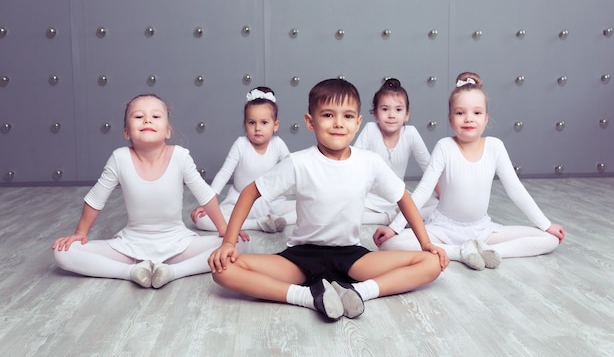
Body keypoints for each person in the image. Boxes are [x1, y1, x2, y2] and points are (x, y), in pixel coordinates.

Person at [208, 78, 448, 322]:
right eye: (328, 115)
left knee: (431, 262)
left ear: (358, 123)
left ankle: (357, 292)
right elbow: (250, 192)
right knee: (222, 270)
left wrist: (426, 243)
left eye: (347, 116)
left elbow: (403, 197)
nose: (338, 123)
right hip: (302, 257)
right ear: (310, 122)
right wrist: (229, 243)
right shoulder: (299, 162)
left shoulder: (369, 162)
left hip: (351, 256)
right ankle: (309, 297)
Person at [52, 94, 250, 288]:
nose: (147, 119)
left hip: (178, 243)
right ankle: (132, 272)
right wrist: (80, 233)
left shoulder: (179, 156)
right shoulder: (120, 158)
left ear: (168, 131)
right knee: (63, 253)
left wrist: (224, 230)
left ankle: (173, 272)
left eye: (155, 116)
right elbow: (95, 199)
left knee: (239, 245)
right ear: (126, 132)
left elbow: (205, 196)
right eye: (138, 116)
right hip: (130, 246)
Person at [374, 72, 566, 270]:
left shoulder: (495, 147)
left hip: (483, 230)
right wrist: (395, 227)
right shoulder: (445, 146)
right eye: (460, 113)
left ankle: (490, 251)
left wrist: (546, 224)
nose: (468, 119)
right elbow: (423, 191)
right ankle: (459, 252)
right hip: (443, 230)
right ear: (450, 119)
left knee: (549, 239)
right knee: (389, 244)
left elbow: (515, 189)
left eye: (476, 113)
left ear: (485, 118)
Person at [191, 86, 295, 233]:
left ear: (275, 125)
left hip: (271, 201)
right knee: (202, 220)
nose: (257, 128)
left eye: (264, 123)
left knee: (309, 207)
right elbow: (224, 173)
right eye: (252, 122)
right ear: (245, 125)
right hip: (239, 202)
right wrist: (209, 202)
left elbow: (292, 168)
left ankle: (280, 220)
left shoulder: (277, 144)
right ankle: (257, 223)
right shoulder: (241, 144)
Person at [354, 78, 440, 224]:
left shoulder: (410, 133)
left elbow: (429, 168)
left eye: (398, 110)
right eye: (385, 109)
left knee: (438, 204)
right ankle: (389, 218)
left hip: (398, 198)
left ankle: (396, 216)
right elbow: (353, 163)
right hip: (370, 199)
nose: (391, 115)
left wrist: (444, 197)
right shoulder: (370, 129)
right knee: (346, 213)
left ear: (407, 114)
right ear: (375, 113)